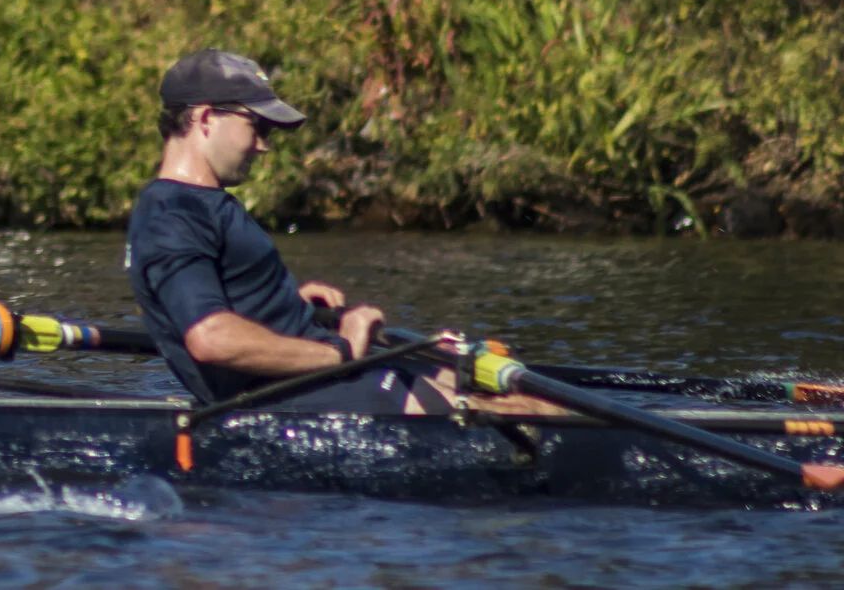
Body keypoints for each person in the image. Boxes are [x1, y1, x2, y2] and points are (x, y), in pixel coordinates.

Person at [124, 49, 562, 415]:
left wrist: (285, 304)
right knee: (529, 407)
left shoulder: (199, 205)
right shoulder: (172, 215)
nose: (264, 144)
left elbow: (221, 303)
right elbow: (212, 339)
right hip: (289, 396)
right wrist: (343, 352)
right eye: (256, 126)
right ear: (204, 118)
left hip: (315, 380)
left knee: (497, 379)